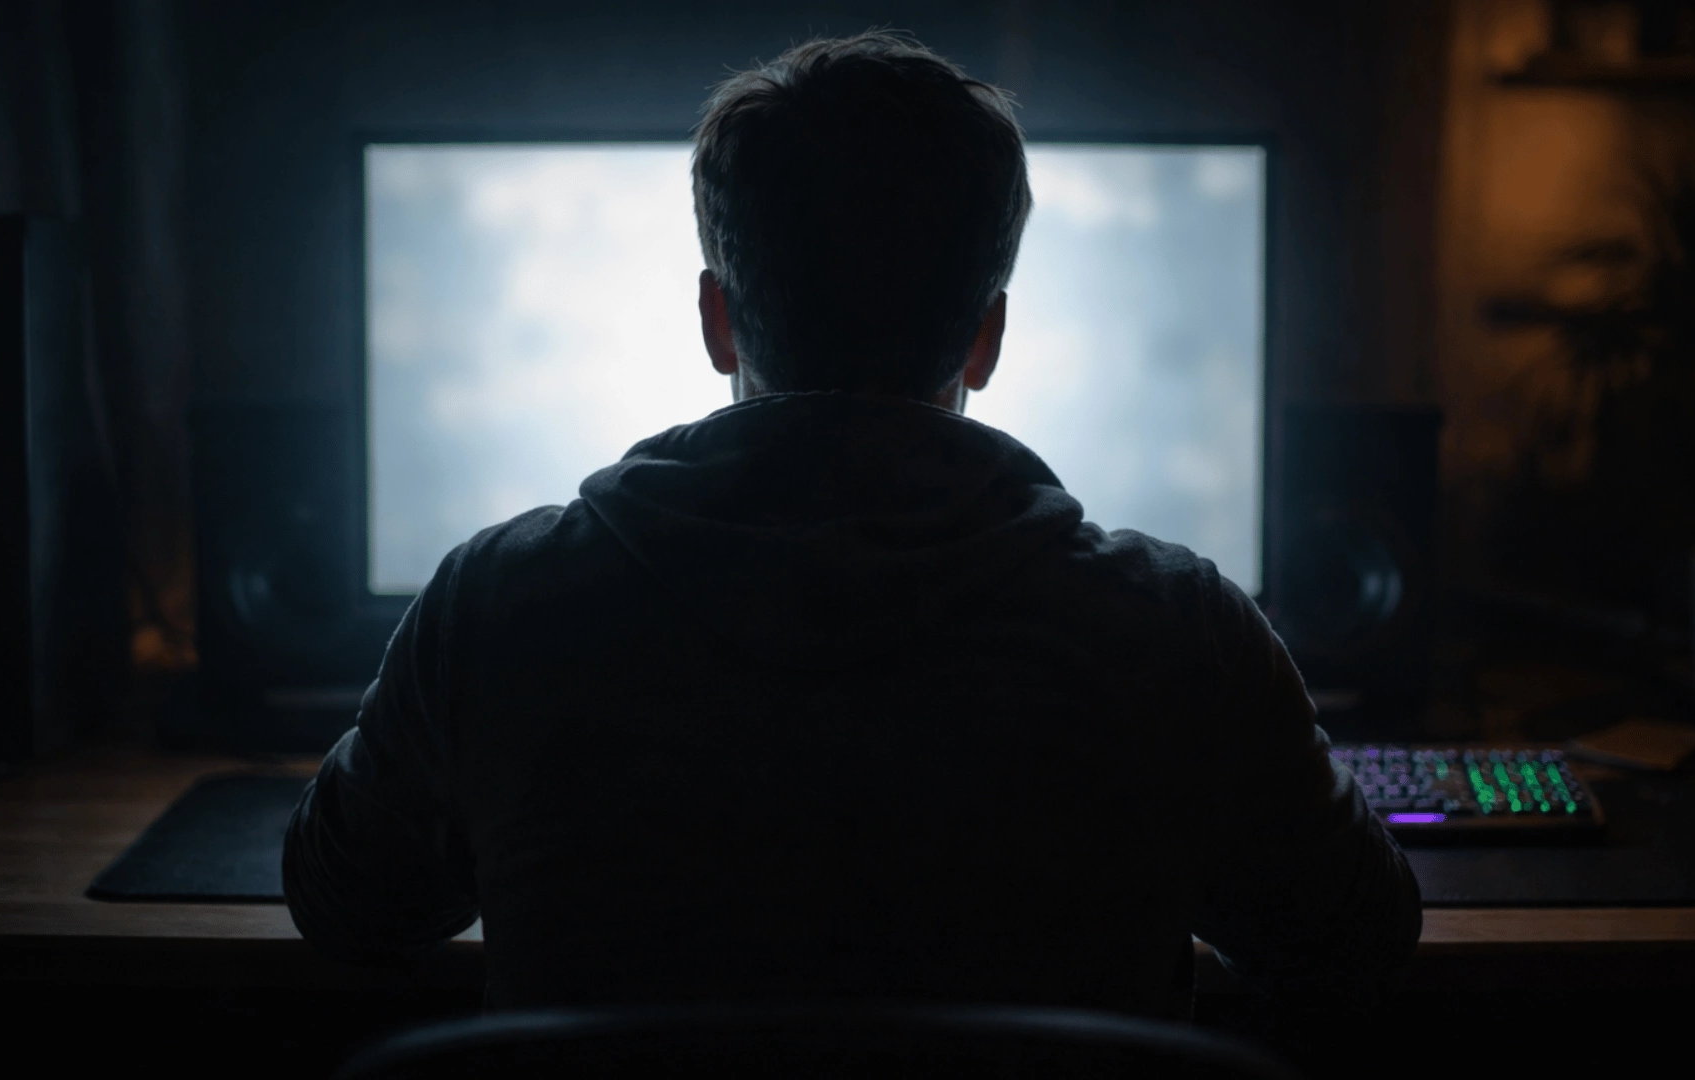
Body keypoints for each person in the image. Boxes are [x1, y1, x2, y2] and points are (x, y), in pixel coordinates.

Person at [284, 30, 1419, 1017]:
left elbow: (344, 905)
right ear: (987, 336)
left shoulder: (497, 603)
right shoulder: (1182, 634)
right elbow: (1354, 939)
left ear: (717, 319)